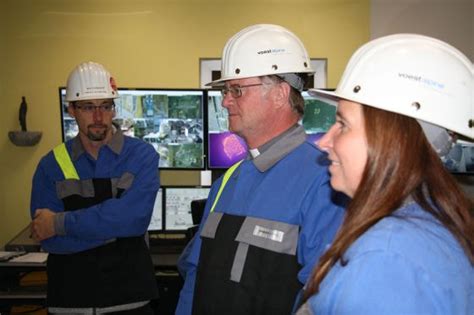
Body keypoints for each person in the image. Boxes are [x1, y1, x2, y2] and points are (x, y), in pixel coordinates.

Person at [297, 34, 474, 314]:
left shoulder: (387, 260)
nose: (323, 141)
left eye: (342, 124)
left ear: (392, 140)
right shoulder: (431, 224)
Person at [175, 24, 345, 315]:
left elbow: (320, 297)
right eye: (226, 91)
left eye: (236, 90)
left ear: (279, 94)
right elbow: (196, 272)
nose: (226, 100)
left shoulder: (326, 182)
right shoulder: (227, 180)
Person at [30, 61, 159, 314]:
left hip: (130, 301)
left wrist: (59, 223)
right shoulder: (51, 165)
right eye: (88, 107)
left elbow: (133, 221)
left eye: (105, 106)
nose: (99, 117)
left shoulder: (141, 156)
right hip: (69, 302)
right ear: (71, 109)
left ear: (113, 108)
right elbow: (48, 241)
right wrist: (117, 235)